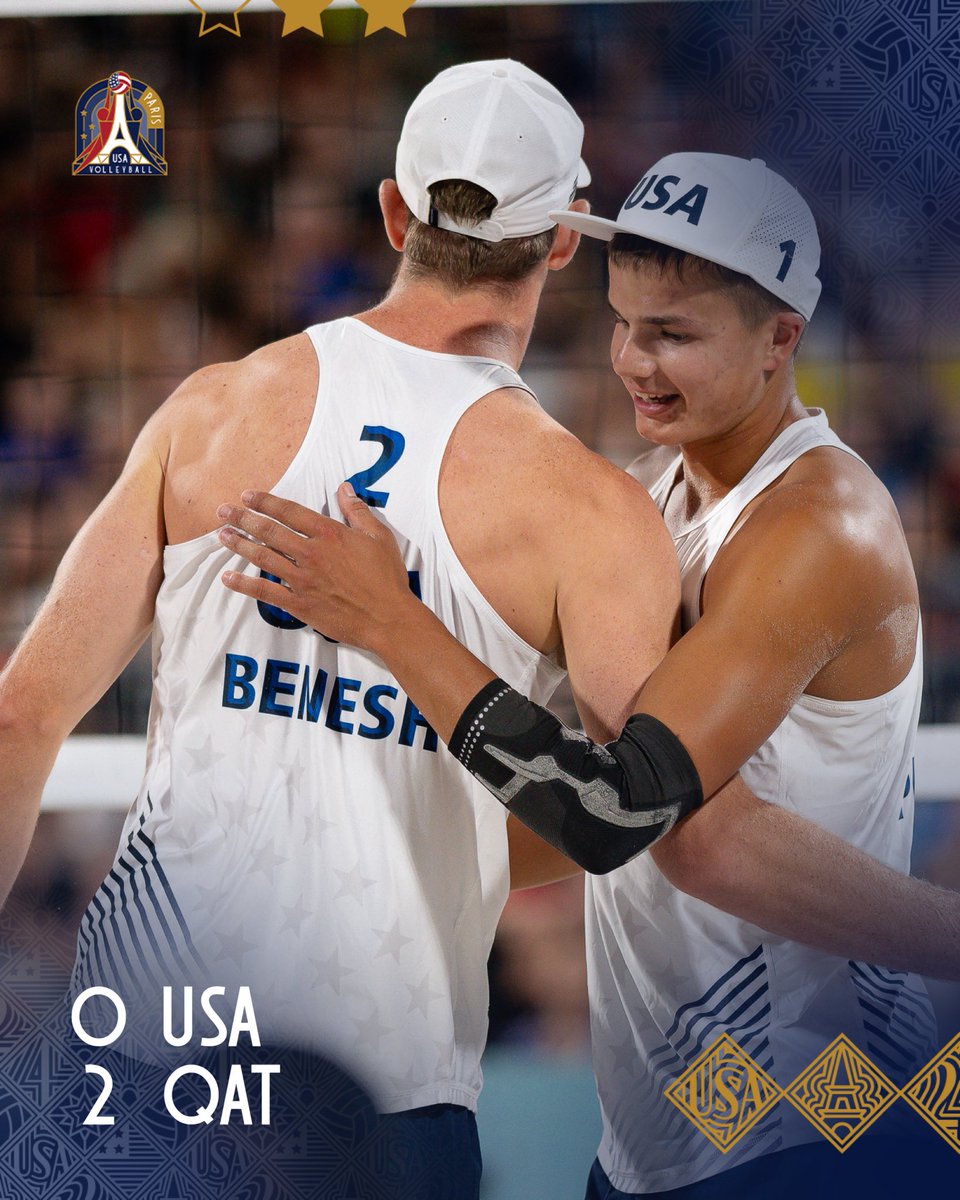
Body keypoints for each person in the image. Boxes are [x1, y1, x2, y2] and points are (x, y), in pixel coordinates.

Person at [0, 59, 690, 1197]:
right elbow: (618, 814)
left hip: (146, 1057)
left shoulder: (215, 407)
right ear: (564, 241)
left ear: (391, 211)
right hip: (385, 1084)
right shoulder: (594, 513)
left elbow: (23, 716)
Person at [217, 152, 960, 1196]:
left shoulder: (820, 525)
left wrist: (393, 622)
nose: (632, 360)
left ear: (780, 339)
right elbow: (560, 792)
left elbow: (637, 818)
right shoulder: (657, 502)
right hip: (667, 1133)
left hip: (829, 1113)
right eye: (622, 321)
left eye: (674, 334)